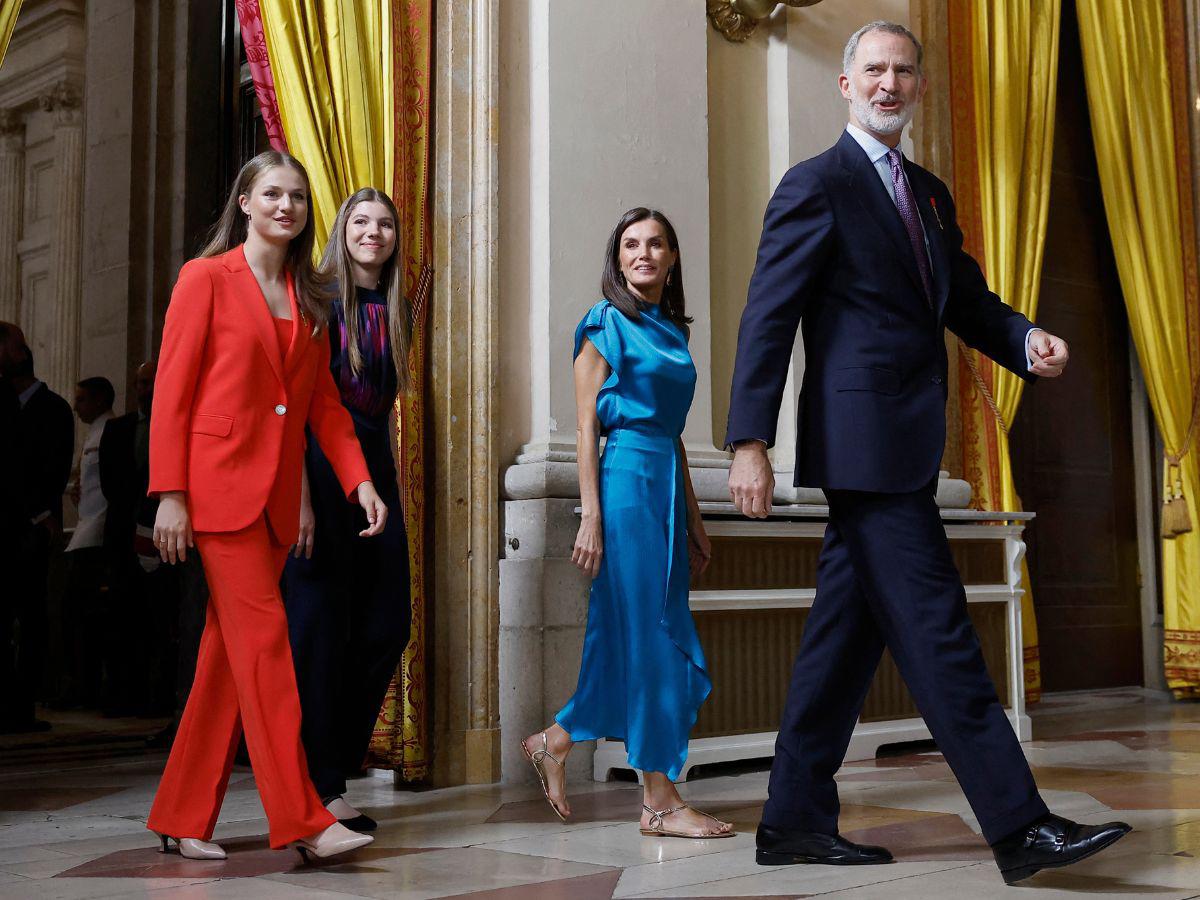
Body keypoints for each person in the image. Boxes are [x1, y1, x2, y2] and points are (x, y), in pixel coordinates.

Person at [724, 21, 1130, 885]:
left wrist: (1024, 340)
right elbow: (768, 315)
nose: (890, 84)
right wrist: (749, 440)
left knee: (842, 642)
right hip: (861, 448)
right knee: (943, 635)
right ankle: (1020, 825)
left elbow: (967, 301)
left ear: (918, 85)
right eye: (874, 69)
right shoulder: (816, 184)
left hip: (903, 443)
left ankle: (793, 819)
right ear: (846, 84)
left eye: (904, 71)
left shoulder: (930, 196)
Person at [145, 150, 387, 863]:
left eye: (298, 198)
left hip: (276, 500)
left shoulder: (310, 296)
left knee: (228, 663)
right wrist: (170, 494)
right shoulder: (205, 279)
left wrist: (359, 482)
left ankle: (180, 813)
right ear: (245, 202)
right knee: (268, 648)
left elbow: (323, 405)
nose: (287, 206)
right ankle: (303, 819)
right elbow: (172, 391)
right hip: (217, 492)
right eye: (273, 194)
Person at [521, 208, 731, 840]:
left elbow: (674, 435)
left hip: (664, 480)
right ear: (618, 257)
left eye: (656, 243)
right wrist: (591, 516)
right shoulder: (603, 322)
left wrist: (694, 519)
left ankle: (556, 740)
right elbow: (587, 430)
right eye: (632, 244)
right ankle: (660, 801)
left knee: (627, 634)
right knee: (652, 634)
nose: (644, 253)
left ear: (672, 257)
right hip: (625, 485)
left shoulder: (672, 331)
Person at [283, 188, 413, 831]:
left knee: (388, 624)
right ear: (342, 231)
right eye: (361, 221)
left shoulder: (397, 309)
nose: (373, 232)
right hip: (316, 465)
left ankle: (334, 764)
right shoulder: (317, 300)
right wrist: (300, 499)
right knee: (319, 632)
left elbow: (379, 412)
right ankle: (320, 788)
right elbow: (298, 405)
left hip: (374, 472)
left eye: (384, 224)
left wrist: (384, 483)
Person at [0, 325, 73, 734]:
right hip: (6, 524)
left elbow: (53, 469)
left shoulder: (53, 408)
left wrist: (40, 513)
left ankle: (22, 707)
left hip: (32, 529)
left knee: (31, 618)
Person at [100, 361, 178, 717]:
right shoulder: (118, 428)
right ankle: (123, 695)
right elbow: (110, 483)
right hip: (122, 535)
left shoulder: (177, 423)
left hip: (166, 536)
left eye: (150, 382)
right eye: (139, 383)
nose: (144, 390)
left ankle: (160, 698)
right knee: (122, 618)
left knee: (163, 621)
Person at [56, 376, 116, 710]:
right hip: (85, 528)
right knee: (75, 616)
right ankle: (78, 685)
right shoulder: (94, 432)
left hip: (97, 533)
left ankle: (85, 687)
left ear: (98, 400)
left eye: (81, 399)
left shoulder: (110, 430)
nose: (76, 406)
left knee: (83, 617)